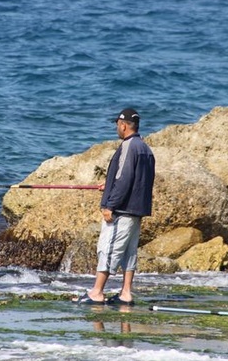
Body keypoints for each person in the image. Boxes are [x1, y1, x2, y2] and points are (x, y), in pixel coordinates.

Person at [74, 107, 155, 306]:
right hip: (136, 210)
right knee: (129, 252)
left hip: (122, 210)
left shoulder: (128, 147)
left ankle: (97, 292)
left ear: (124, 125)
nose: (117, 128)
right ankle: (126, 293)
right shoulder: (145, 148)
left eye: (117, 125)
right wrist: (109, 184)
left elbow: (124, 177)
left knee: (108, 249)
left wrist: (110, 204)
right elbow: (137, 179)